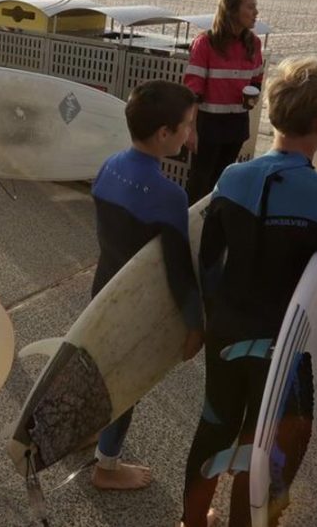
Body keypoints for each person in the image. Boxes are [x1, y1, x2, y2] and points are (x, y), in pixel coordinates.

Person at [179, 57, 317, 527]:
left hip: (227, 333)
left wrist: (207, 318)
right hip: (287, 350)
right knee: (270, 444)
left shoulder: (232, 178)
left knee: (216, 424)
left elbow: (209, 261)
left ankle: (191, 520)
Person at [88, 81, 204, 491]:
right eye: (187, 126)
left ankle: (90, 436)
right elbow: (178, 271)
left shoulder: (107, 166)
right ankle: (107, 465)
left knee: (100, 368)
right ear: (164, 135)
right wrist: (195, 325)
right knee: (126, 383)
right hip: (136, 309)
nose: (191, 135)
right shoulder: (169, 195)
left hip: (101, 291)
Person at [184, 0, 264, 204]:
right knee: (200, 179)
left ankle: (210, 225)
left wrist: (253, 96)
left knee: (223, 180)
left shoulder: (254, 44)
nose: (256, 12)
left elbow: (257, 79)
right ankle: (187, 228)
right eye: (250, 6)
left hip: (237, 122)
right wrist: (190, 129)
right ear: (232, 10)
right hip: (208, 123)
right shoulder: (205, 43)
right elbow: (193, 90)